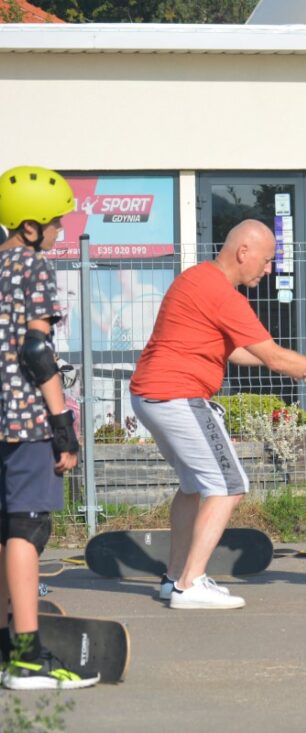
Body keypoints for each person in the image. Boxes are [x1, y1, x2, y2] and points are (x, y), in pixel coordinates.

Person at [129, 219, 306, 610]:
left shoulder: (196, 279)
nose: (269, 269)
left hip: (152, 395)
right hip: (177, 394)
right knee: (229, 485)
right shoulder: (222, 294)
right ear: (243, 253)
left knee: (193, 486)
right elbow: (273, 357)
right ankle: (190, 585)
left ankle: (174, 579)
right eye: (267, 260)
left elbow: (238, 352)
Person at [0, 165, 96, 688]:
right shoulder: (33, 267)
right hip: (23, 417)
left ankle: (3, 651)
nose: (62, 231)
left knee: (2, 531)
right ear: (30, 226)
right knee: (27, 527)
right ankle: (27, 658)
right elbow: (36, 352)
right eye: (56, 222)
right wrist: (63, 427)